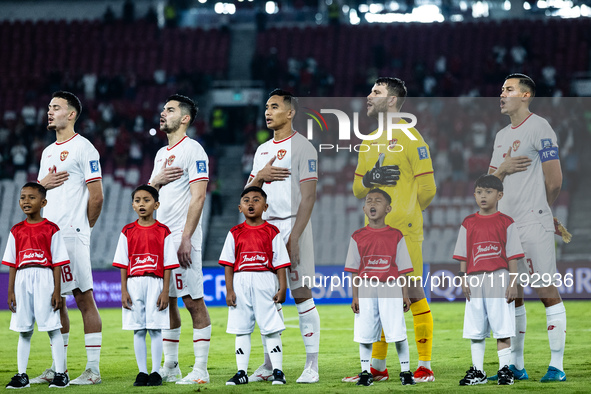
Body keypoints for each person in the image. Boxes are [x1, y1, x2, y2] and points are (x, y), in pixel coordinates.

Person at [344, 77, 437, 383]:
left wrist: (407, 211)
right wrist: (372, 177)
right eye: (370, 90)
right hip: (376, 233)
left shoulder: (411, 138)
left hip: (403, 231)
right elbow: (358, 188)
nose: (369, 96)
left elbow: (428, 189)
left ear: (393, 100)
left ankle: (424, 366)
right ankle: (378, 368)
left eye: (376, 92)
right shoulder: (368, 142)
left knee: (412, 292)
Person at [488, 73, 566, 382]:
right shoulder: (501, 135)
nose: (502, 94)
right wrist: (504, 169)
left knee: (545, 290)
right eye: (501, 88)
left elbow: (555, 180)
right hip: (507, 227)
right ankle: (516, 367)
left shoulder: (540, 127)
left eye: (508, 89)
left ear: (525, 95)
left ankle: (557, 366)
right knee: (513, 294)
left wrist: (543, 211)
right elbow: (489, 184)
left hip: (533, 221)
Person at [246, 89, 320, 383]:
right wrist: (260, 175)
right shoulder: (262, 150)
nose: (268, 111)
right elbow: (248, 194)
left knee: (301, 294)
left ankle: (311, 365)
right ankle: (267, 365)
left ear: (290, 113)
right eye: (266, 106)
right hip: (266, 230)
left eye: (274, 106)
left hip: (293, 226)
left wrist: (295, 236)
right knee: (268, 299)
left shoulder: (303, 147)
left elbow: (309, 197)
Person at [34, 91, 104, 385]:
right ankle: (57, 367)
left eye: (56, 107)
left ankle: (92, 369)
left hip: (73, 235)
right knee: (56, 301)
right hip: (50, 236)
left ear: (71, 114)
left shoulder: (84, 148)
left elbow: (97, 196)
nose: (50, 112)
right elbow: (36, 198)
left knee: (83, 297)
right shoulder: (47, 152)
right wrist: (41, 184)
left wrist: (83, 228)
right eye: (49, 107)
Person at [148, 94, 211, 384]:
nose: (163, 113)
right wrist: (154, 182)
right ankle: (171, 365)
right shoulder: (162, 155)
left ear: (185, 118)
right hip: (161, 240)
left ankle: (200, 370)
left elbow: (199, 197)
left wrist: (186, 238)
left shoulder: (194, 150)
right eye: (163, 108)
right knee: (168, 302)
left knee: (192, 301)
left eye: (170, 109)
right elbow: (148, 197)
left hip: (182, 238)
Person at [453, 175, 524, 386]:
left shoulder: (506, 222)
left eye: (489, 192)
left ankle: (504, 371)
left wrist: (513, 283)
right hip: (474, 279)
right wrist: (463, 278)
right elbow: (463, 254)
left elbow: (512, 256)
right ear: (474, 194)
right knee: (475, 329)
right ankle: (478, 372)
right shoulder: (468, 222)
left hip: (499, 277)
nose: (483, 196)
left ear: (499, 195)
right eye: (479, 192)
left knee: (503, 327)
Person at [219, 186, 291, 386]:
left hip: (265, 281)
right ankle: (241, 372)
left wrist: (282, 288)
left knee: (271, 329)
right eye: (246, 200)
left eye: (256, 200)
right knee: (241, 329)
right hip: (241, 282)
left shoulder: (272, 231)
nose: (251, 203)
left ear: (265, 206)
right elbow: (228, 263)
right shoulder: (234, 233)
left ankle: (278, 371)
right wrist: (230, 290)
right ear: (240, 208)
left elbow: (281, 263)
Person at [345, 189, 416, 387]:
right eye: (369, 201)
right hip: (366, 288)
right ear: (364, 208)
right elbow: (354, 271)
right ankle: (365, 372)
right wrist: (355, 297)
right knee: (365, 334)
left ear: (388, 208)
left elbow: (402, 269)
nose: (372, 203)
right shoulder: (357, 236)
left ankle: (405, 371)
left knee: (398, 332)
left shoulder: (396, 235)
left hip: (391, 287)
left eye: (378, 200)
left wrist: (405, 295)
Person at [3, 183, 70, 389]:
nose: (26, 201)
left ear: (43, 202)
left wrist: (57, 291)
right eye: (23, 197)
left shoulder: (51, 229)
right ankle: (22, 375)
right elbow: (13, 263)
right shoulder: (16, 230)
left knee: (52, 327)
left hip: (44, 278)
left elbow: (58, 262)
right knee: (24, 331)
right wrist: (10, 290)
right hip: (22, 279)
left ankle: (61, 374)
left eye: (31, 197)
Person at [112, 185, 180, 387]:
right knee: (138, 329)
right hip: (134, 283)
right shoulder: (127, 231)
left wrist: (165, 291)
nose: (142, 204)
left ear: (156, 204)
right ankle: (142, 372)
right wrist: (123, 289)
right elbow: (123, 263)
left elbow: (168, 264)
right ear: (133, 205)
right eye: (138, 200)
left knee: (155, 328)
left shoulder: (163, 231)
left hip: (156, 282)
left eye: (147, 200)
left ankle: (155, 372)